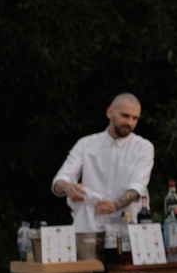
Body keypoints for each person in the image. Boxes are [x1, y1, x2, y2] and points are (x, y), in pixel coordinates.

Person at [54, 93, 153, 254]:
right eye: (125, 116)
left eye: (135, 118)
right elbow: (60, 180)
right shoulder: (86, 144)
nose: (130, 122)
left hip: (127, 235)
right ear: (110, 113)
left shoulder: (144, 147)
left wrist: (114, 206)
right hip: (89, 235)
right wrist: (68, 187)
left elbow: (137, 188)